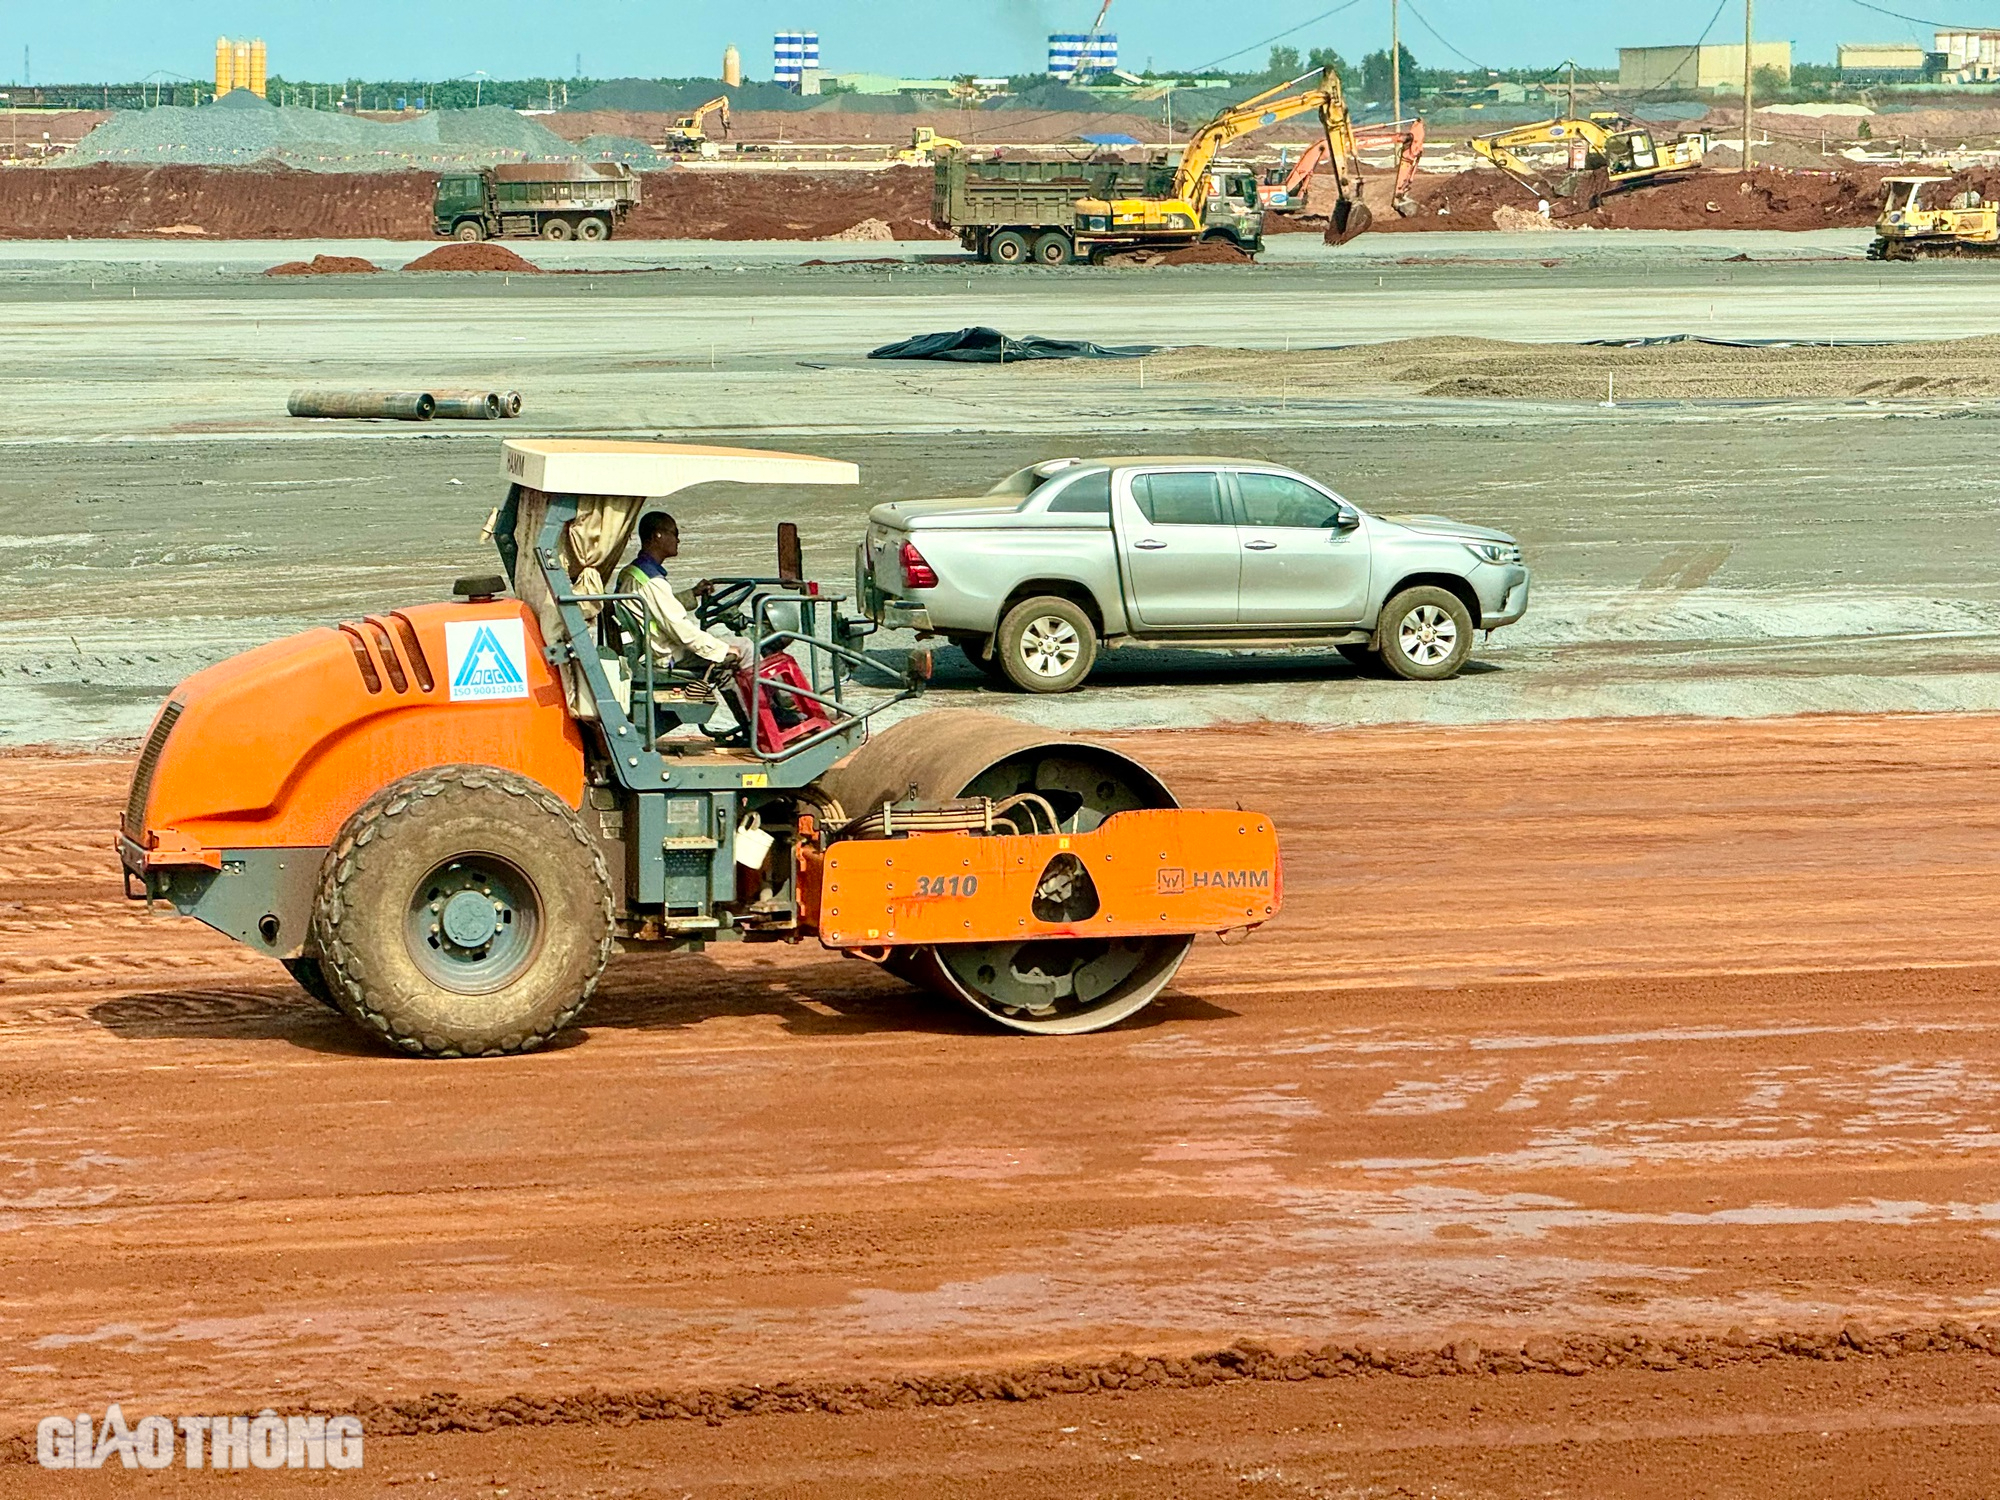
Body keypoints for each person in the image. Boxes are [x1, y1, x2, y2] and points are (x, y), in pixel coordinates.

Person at [615, 512, 748, 674]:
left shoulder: (633, 572)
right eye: (674, 533)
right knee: (746, 647)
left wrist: (692, 593)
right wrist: (720, 650)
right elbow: (678, 627)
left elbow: (658, 607)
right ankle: (768, 699)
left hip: (655, 647)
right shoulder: (651, 581)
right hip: (667, 654)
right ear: (658, 535)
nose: (678, 540)